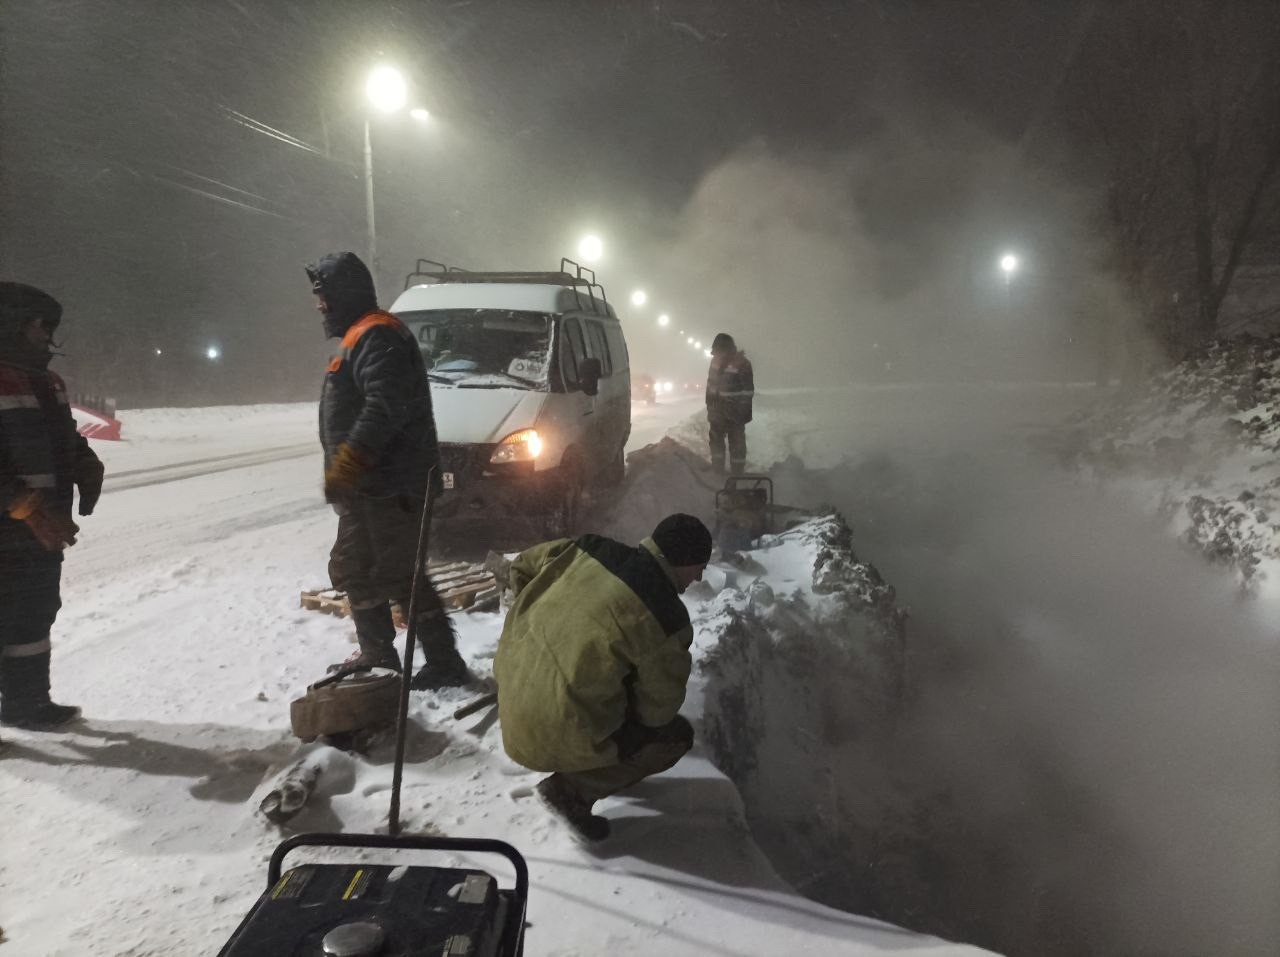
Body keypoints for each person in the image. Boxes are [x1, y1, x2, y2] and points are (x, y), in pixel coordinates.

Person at [307, 251, 471, 690]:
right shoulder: (362, 336)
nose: (318, 305)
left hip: (391, 486)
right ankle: (380, 654)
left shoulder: (377, 335)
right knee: (356, 567)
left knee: (397, 573)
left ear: (343, 294)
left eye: (323, 296)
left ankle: (443, 661)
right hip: (373, 487)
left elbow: (385, 406)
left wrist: (349, 462)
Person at [493, 513, 711, 842]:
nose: (698, 578)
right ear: (685, 561)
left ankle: (592, 756)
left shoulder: (587, 548)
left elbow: (521, 565)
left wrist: (528, 614)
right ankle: (571, 791)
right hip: (549, 735)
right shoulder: (666, 618)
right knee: (673, 736)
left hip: (510, 706)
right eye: (699, 568)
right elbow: (658, 713)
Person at [0, 282, 103, 731]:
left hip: (41, 528)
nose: (47, 336)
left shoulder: (47, 380)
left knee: (35, 612)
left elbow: (64, 436)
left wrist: (84, 460)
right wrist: (18, 501)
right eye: (40, 326)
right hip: (12, 522)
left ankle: (27, 705)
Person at [705, 332, 754, 474]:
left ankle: (737, 473)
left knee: (737, 443)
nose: (717, 355)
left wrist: (742, 412)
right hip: (717, 412)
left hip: (735, 413)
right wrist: (710, 408)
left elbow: (747, 391)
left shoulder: (742, 363)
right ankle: (717, 470)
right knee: (716, 442)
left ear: (726, 349)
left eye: (719, 352)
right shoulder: (714, 362)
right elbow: (710, 386)